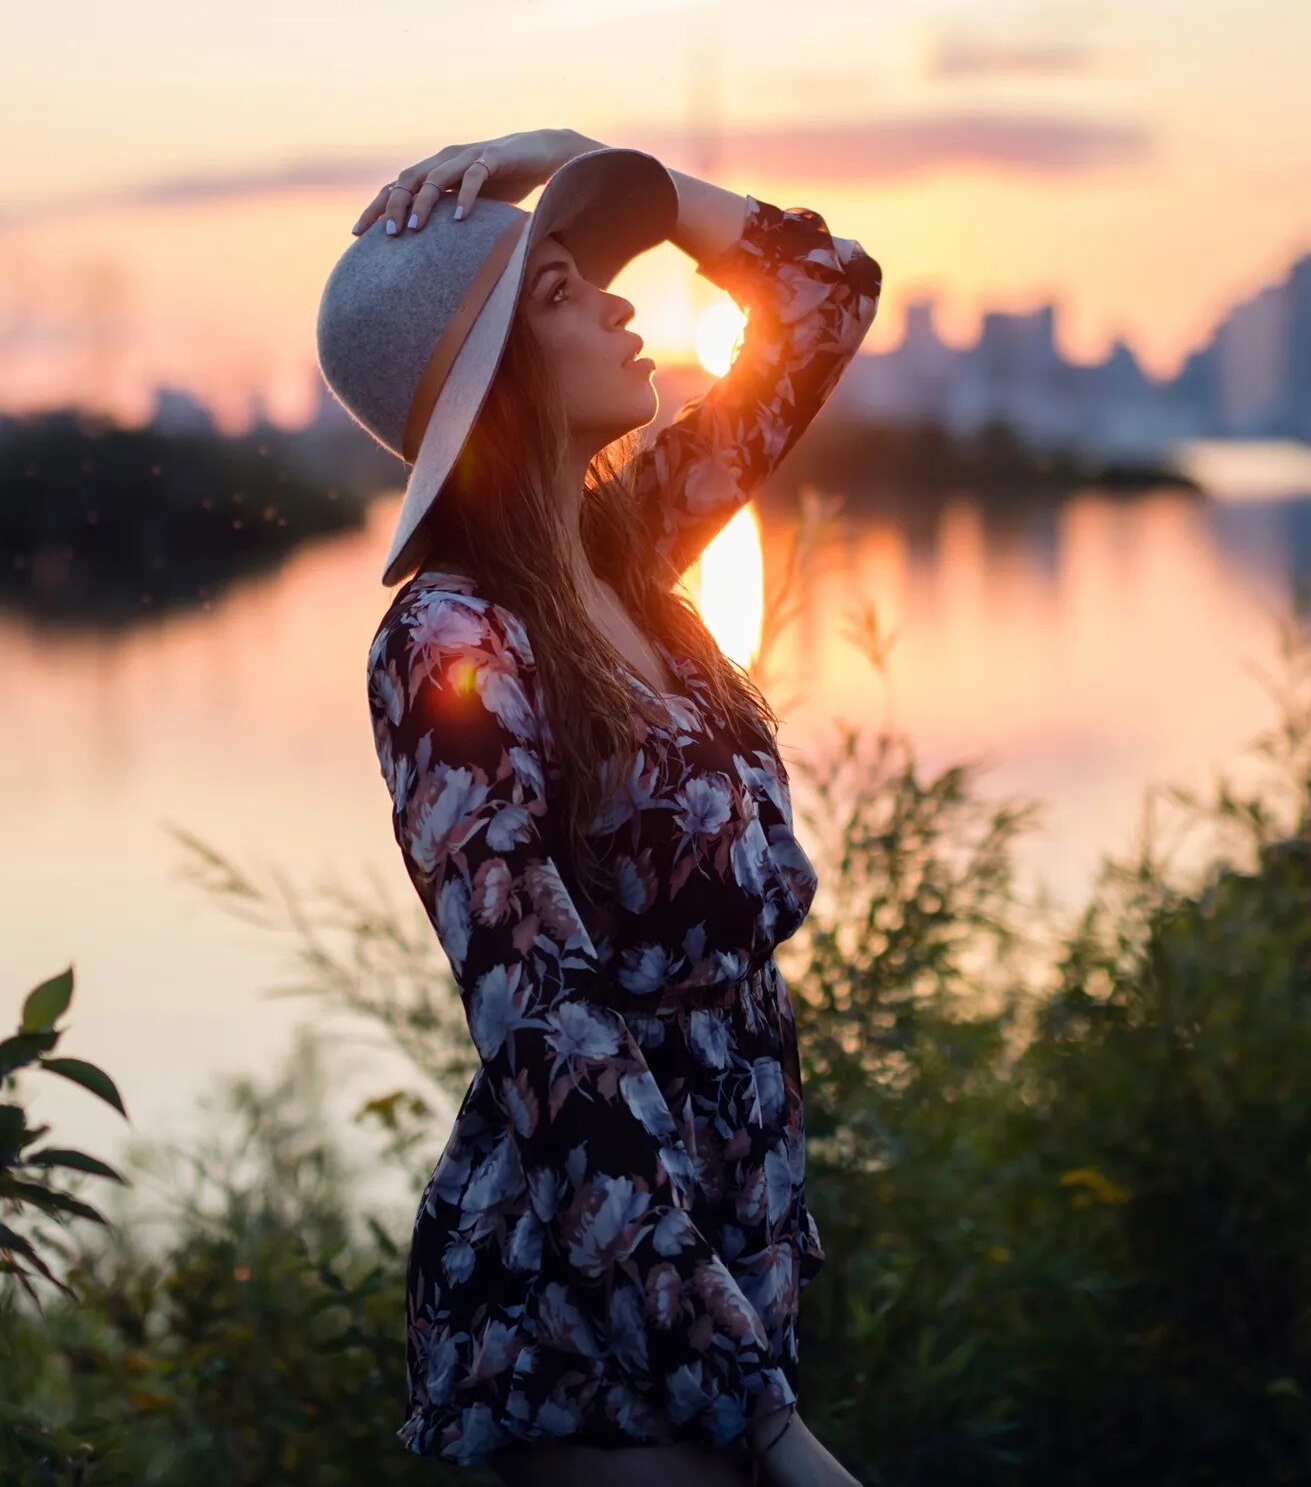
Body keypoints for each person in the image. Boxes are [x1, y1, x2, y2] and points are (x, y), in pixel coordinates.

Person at [312, 128, 883, 1486]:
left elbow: (827, 297)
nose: (622, 297)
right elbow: (543, 1026)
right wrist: (760, 1417)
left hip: (725, 1266)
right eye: (563, 289)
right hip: (577, 1320)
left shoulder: (626, 558)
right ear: (495, 382)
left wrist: (610, 174)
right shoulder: (455, 645)